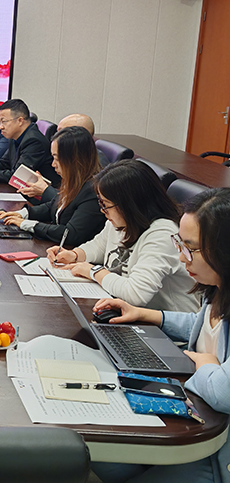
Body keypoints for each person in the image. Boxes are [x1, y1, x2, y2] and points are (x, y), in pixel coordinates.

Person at [91, 188, 230, 483]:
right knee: (100, 455)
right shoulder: (217, 289)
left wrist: (205, 365)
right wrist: (146, 315)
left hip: (217, 449)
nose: (181, 257)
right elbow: (204, 326)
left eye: (190, 249)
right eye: (180, 244)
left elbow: (223, 392)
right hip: (193, 413)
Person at [47, 159, 198, 313]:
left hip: (166, 322)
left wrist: (93, 271)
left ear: (129, 205)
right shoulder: (122, 221)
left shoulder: (163, 234)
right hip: (131, 313)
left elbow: (136, 294)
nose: (102, 211)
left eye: (106, 205)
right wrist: (75, 255)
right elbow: (99, 245)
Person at [0, 126, 105, 246]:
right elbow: (53, 206)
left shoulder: (93, 190)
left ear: (74, 159)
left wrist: (26, 224)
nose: (53, 164)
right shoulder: (74, 180)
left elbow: (70, 234)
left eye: (57, 158)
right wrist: (23, 214)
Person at [17, 112, 109, 199]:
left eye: (63, 133)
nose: (57, 136)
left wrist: (46, 191)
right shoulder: (72, 158)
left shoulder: (95, 170)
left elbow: (73, 202)